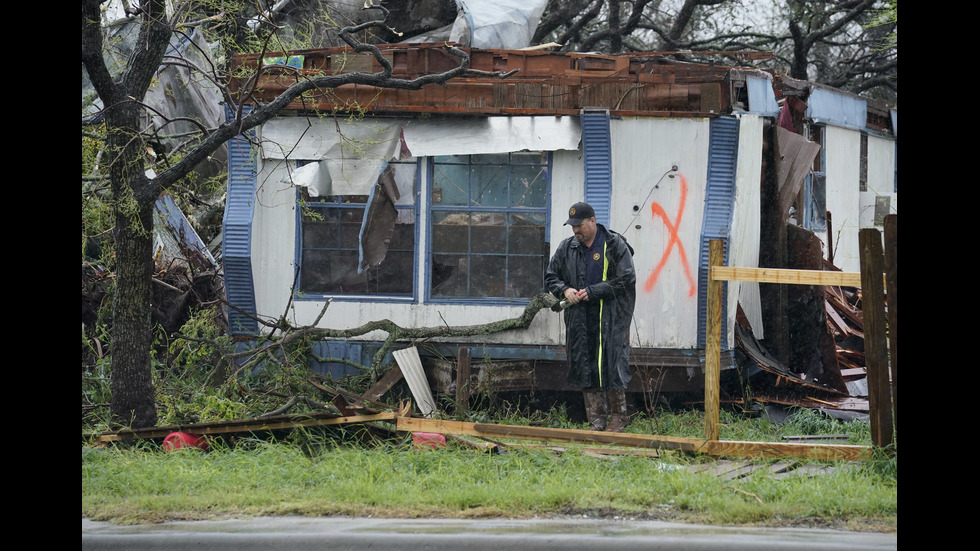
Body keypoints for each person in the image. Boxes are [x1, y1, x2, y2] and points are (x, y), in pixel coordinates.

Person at [545, 202, 636, 432]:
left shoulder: (614, 245)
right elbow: (550, 276)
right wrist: (565, 290)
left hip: (611, 318)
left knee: (612, 364)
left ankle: (619, 417)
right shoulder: (567, 247)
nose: (576, 230)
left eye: (580, 225)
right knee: (586, 366)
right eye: (572, 226)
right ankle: (596, 420)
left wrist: (595, 291)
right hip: (580, 319)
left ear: (593, 221)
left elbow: (627, 278)